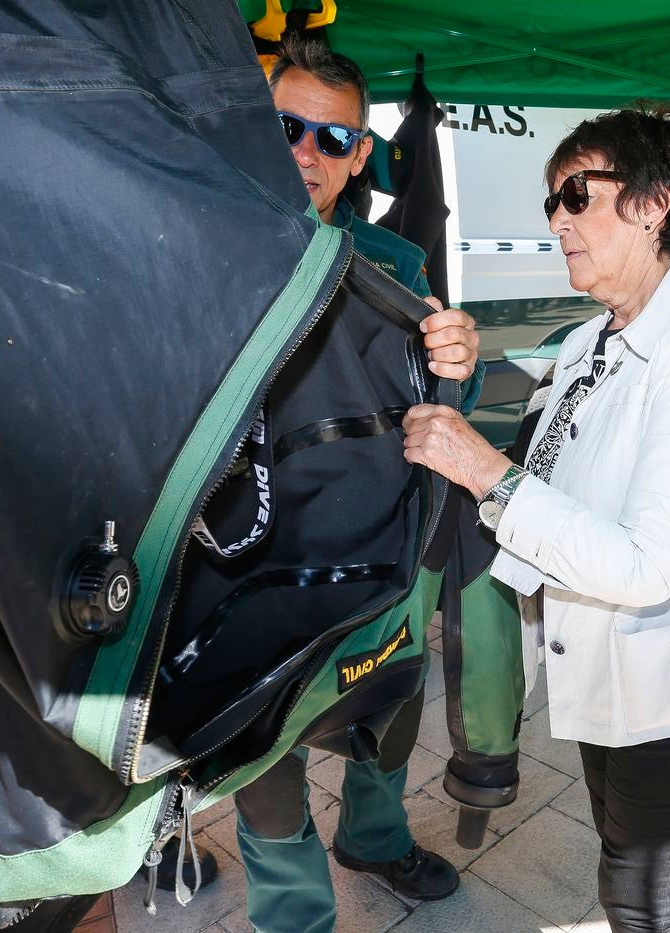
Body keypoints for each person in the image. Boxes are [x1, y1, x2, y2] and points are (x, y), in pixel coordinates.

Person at [401, 104, 670, 932]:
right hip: (606, 665)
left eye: (577, 194)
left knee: (643, 901)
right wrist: (460, 356)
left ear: (653, 204)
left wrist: (485, 471)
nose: (557, 221)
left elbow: (646, 565)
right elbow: (534, 413)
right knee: (618, 857)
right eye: (551, 203)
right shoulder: (592, 337)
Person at [226, 37, 482, 932]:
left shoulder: (393, 263)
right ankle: (294, 915)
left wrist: (464, 360)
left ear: (360, 155)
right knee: (262, 751)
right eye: (287, 127)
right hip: (240, 558)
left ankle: (373, 839)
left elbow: (441, 399)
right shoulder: (202, 249)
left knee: (389, 703)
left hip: (374, 540)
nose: (306, 152)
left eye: (332, 139)